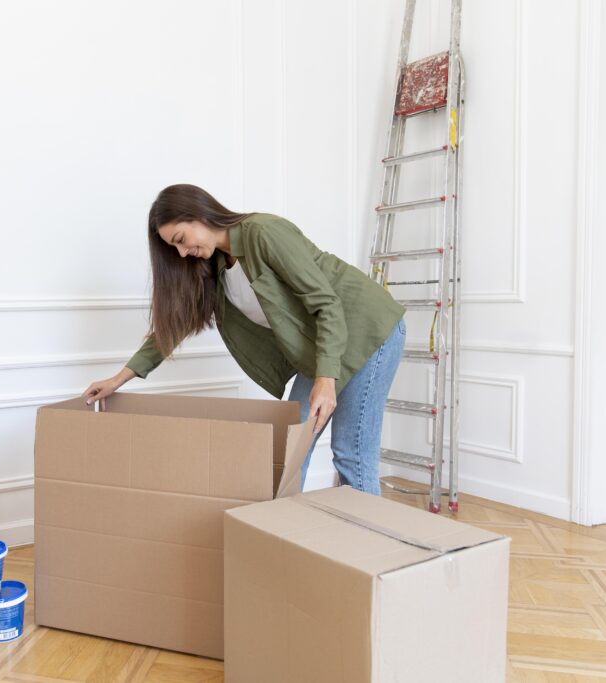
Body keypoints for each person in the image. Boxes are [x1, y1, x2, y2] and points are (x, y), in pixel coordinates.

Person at [82, 184, 406, 495]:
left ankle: (368, 548)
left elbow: (326, 303)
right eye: (174, 248)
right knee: (292, 450)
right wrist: (118, 379)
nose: (182, 252)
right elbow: (173, 328)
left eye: (181, 239)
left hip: (365, 327)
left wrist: (325, 378)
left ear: (200, 215)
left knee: (350, 451)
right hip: (321, 345)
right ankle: (286, 538)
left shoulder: (263, 233)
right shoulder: (214, 267)